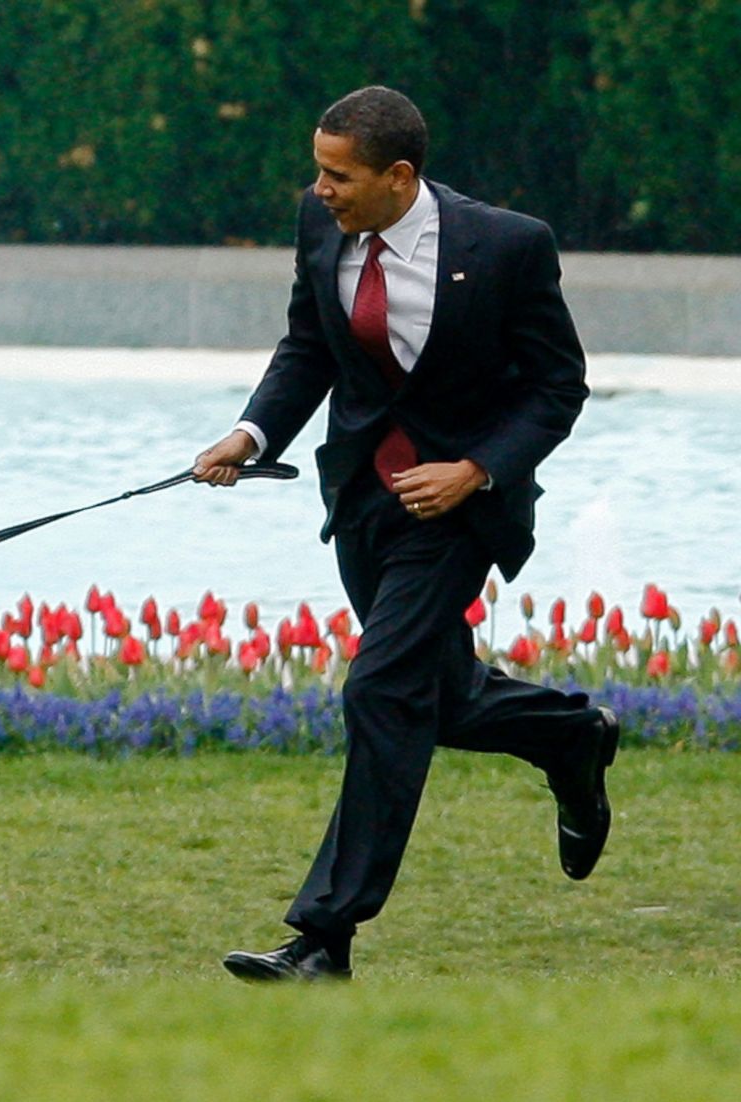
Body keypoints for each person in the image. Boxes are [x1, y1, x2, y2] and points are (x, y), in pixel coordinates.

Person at [193, 85, 617, 982]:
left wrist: (476, 469)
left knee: (381, 691)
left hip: (460, 511)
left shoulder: (508, 245)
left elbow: (557, 387)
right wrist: (253, 434)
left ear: (399, 176)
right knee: (442, 700)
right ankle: (570, 737)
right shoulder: (320, 229)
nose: (320, 189)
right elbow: (309, 347)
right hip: (363, 501)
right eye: (318, 170)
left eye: (338, 174)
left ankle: (324, 938)